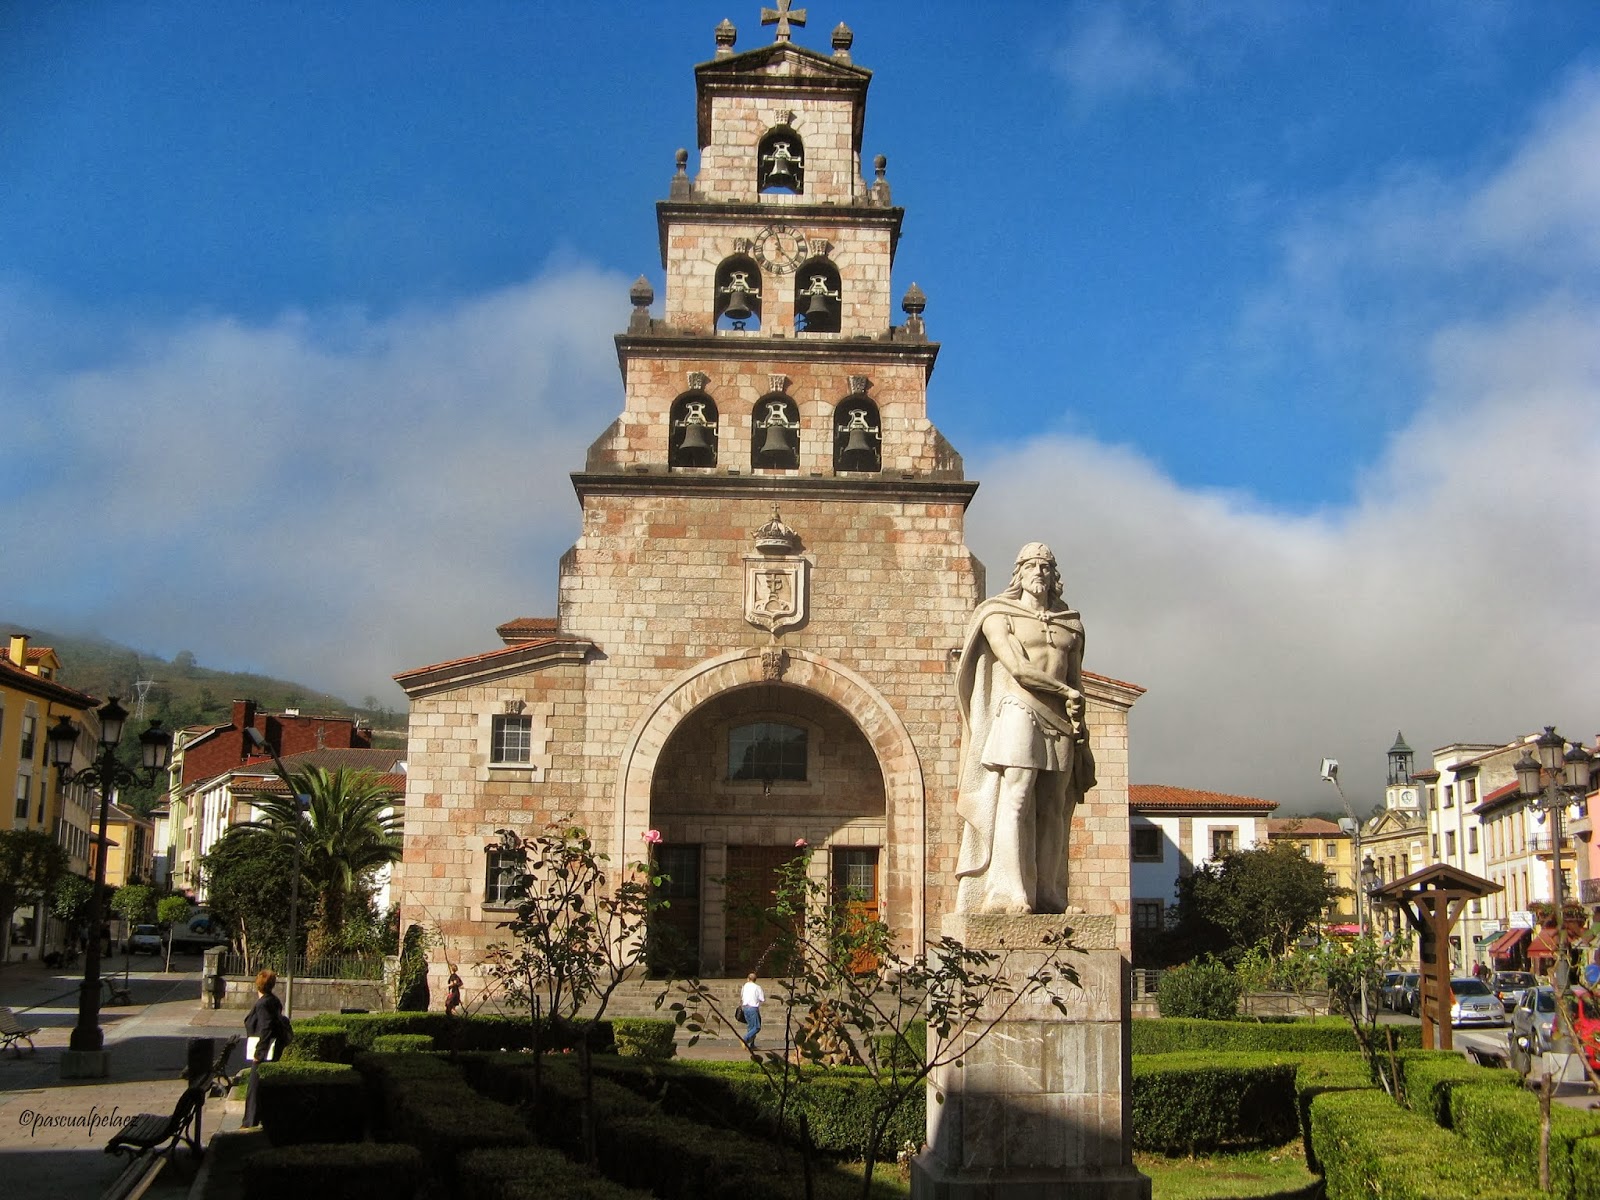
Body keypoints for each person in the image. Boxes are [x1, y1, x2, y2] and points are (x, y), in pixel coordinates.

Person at [953, 542, 1095, 915]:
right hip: (1019, 709)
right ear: (1018, 573)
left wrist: (1083, 729)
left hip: (1061, 720)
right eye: (1031, 566)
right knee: (1016, 797)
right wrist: (1064, 691)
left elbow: (1077, 681)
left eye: (1046, 567)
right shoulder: (999, 616)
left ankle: (1048, 891)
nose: (1039, 573)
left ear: (1054, 576)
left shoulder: (1071, 627)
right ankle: (1010, 889)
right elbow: (1017, 667)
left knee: (1053, 806)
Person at [242, 969, 287, 1127]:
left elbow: (265, 1028)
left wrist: (259, 1054)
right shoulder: (273, 1001)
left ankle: (250, 1121)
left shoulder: (263, 1004)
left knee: (253, 1088)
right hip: (270, 1050)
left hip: (263, 1052)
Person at [739, 971, 766, 1050]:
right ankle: (745, 1039)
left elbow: (742, 996)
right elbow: (762, 999)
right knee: (757, 1027)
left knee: (751, 1027)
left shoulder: (744, 986)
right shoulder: (757, 987)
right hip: (753, 1008)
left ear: (748, 979)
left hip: (745, 1008)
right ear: (755, 979)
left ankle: (751, 1045)